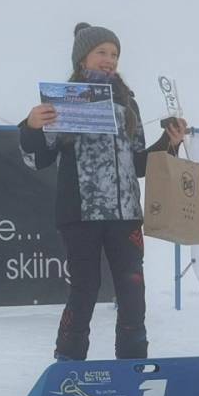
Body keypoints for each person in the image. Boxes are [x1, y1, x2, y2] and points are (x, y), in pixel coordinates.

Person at [19, 22, 187, 360]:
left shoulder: (128, 104)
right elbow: (37, 159)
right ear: (83, 58)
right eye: (102, 52)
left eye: (114, 53)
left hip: (125, 215)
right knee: (85, 288)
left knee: (132, 286)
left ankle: (133, 360)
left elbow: (139, 164)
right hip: (79, 214)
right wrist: (31, 127)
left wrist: (169, 143)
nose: (109, 59)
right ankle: (68, 360)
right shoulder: (61, 101)